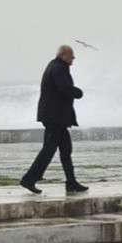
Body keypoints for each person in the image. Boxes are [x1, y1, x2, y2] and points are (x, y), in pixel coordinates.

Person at [20, 45, 88, 194]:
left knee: (65, 150)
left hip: (56, 117)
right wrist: (78, 92)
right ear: (63, 55)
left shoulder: (56, 66)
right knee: (49, 150)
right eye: (71, 56)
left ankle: (71, 182)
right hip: (54, 117)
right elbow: (64, 88)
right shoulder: (59, 68)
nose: (73, 58)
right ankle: (29, 179)